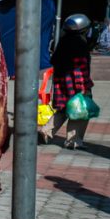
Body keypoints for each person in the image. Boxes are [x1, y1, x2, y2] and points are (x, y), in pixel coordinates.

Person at [41, 14, 94, 149]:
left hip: (61, 83)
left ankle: (46, 131)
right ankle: (73, 140)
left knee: (63, 109)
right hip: (75, 84)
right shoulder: (80, 44)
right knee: (81, 111)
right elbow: (80, 68)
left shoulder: (63, 42)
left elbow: (54, 61)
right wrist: (83, 87)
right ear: (83, 29)